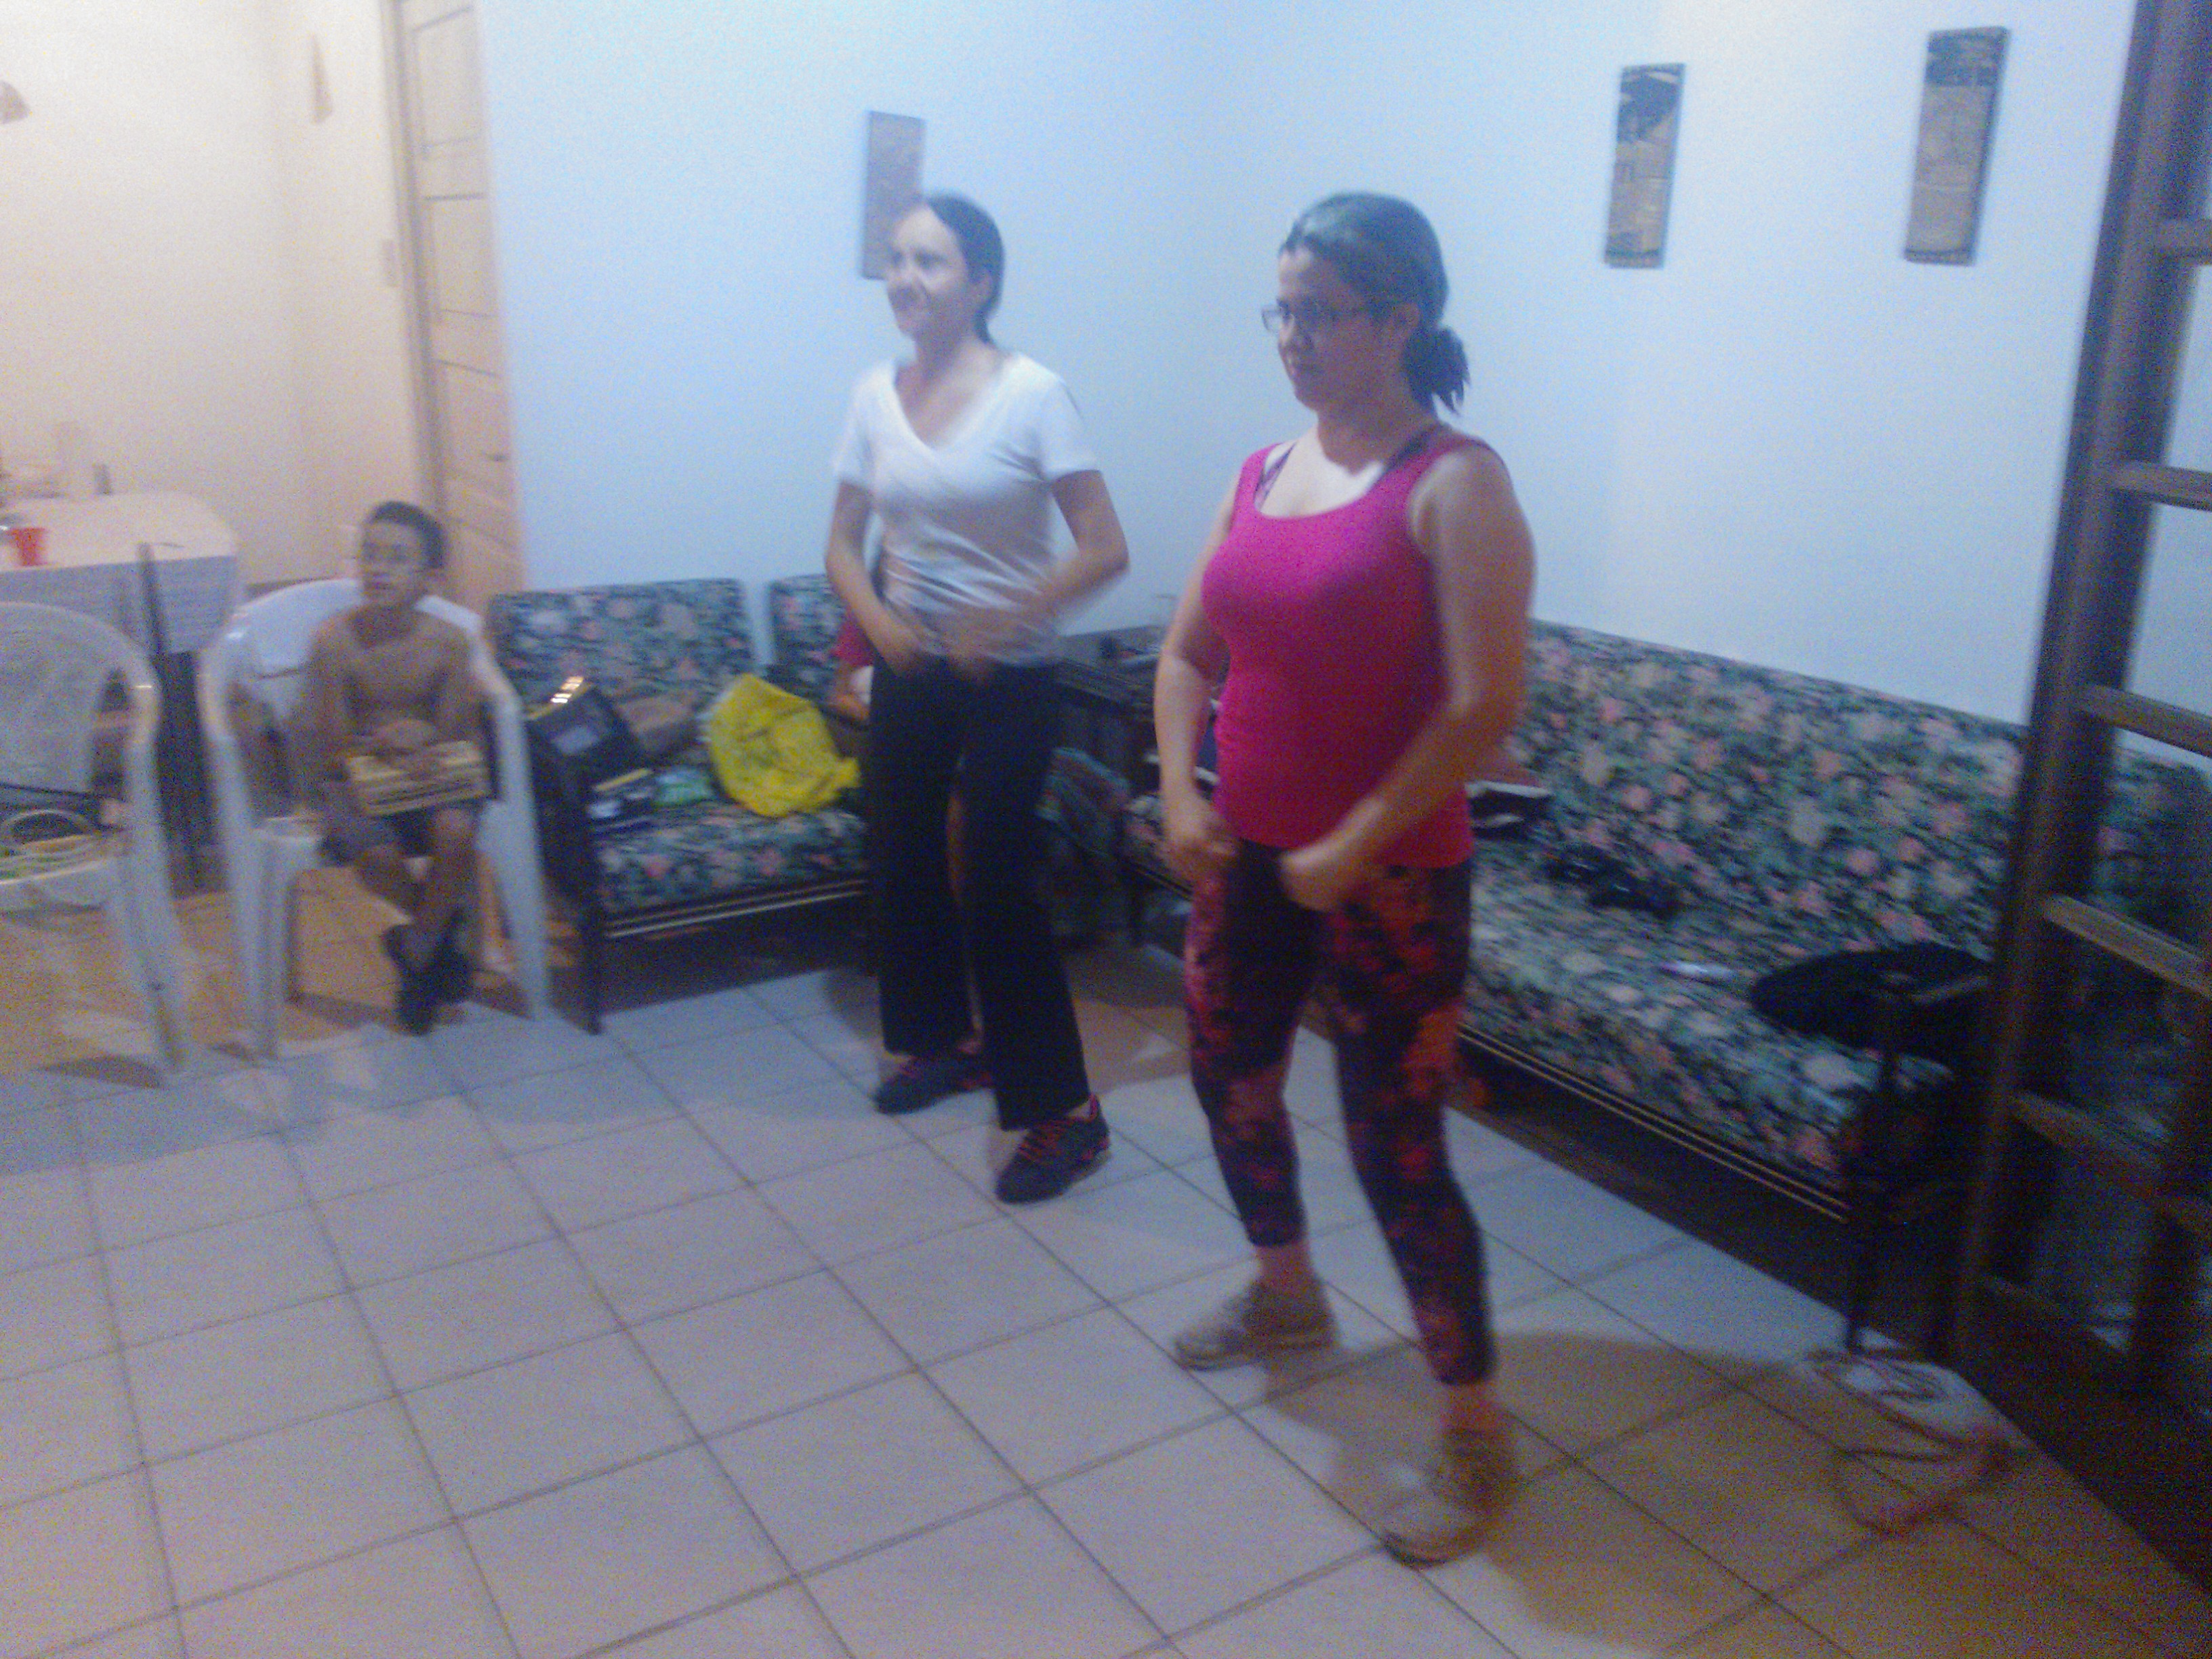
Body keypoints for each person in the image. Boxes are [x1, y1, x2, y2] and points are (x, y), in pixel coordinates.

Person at [1153, 193, 1534, 1563]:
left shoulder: (1453, 482)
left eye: (1319, 313)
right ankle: (1286, 1292)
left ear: (1398, 319)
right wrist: (1176, 786)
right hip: (1247, 855)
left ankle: (1474, 1429)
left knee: (1398, 1148)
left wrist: (1358, 839)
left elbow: (1484, 707)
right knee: (1228, 1079)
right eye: (1283, 310)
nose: (1293, 337)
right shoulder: (1261, 471)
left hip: (1391, 877)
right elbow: (1188, 650)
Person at [823, 192, 1130, 1203]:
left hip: (1012, 676)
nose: (906, 278)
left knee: (996, 882)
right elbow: (842, 545)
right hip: (912, 667)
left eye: (932, 261)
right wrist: (881, 623)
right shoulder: (874, 395)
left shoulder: (1034, 394)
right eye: (898, 259)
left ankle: (1066, 1114)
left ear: (981, 282)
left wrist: (1006, 617)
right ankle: (945, 1043)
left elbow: (1104, 548)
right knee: (902, 855)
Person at [290, 501, 483, 1035]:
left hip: (431, 772)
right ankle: (438, 932)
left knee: (456, 829)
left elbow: (457, 733)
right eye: (370, 555)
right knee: (376, 857)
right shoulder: (334, 641)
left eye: (398, 559)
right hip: (357, 773)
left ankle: (414, 949)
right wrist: (379, 745)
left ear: (431, 579)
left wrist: (426, 739)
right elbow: (332, 746)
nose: (378, 569)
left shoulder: (450, 643)